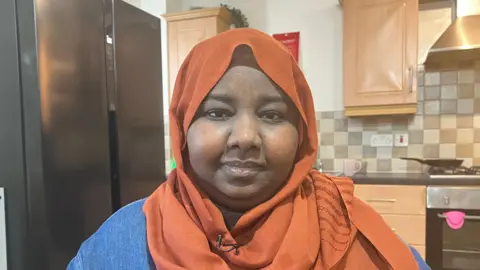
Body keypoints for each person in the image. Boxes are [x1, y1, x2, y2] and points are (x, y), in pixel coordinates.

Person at [68, 28, 430, 269]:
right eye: (216, 112)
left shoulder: (347, 228)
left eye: (272, 114)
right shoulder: (117, 247)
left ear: (302, 133)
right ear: (183, 128)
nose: (245, 137)